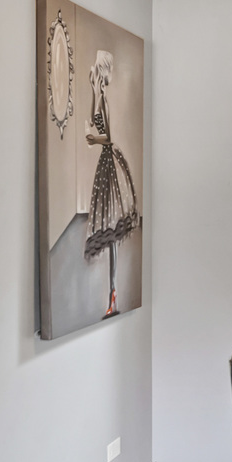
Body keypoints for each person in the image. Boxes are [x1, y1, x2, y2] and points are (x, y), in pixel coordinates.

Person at [84, 49, 139, 317]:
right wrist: (92, 88)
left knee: (112, 224)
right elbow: (91, 121)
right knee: (106, 221)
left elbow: (109, 136)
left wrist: (95, 140)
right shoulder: (99, 97)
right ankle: (112, 290)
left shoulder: (106, 100)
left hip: (109, 159)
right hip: (104, 162)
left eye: (98, 68)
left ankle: (113, 289)